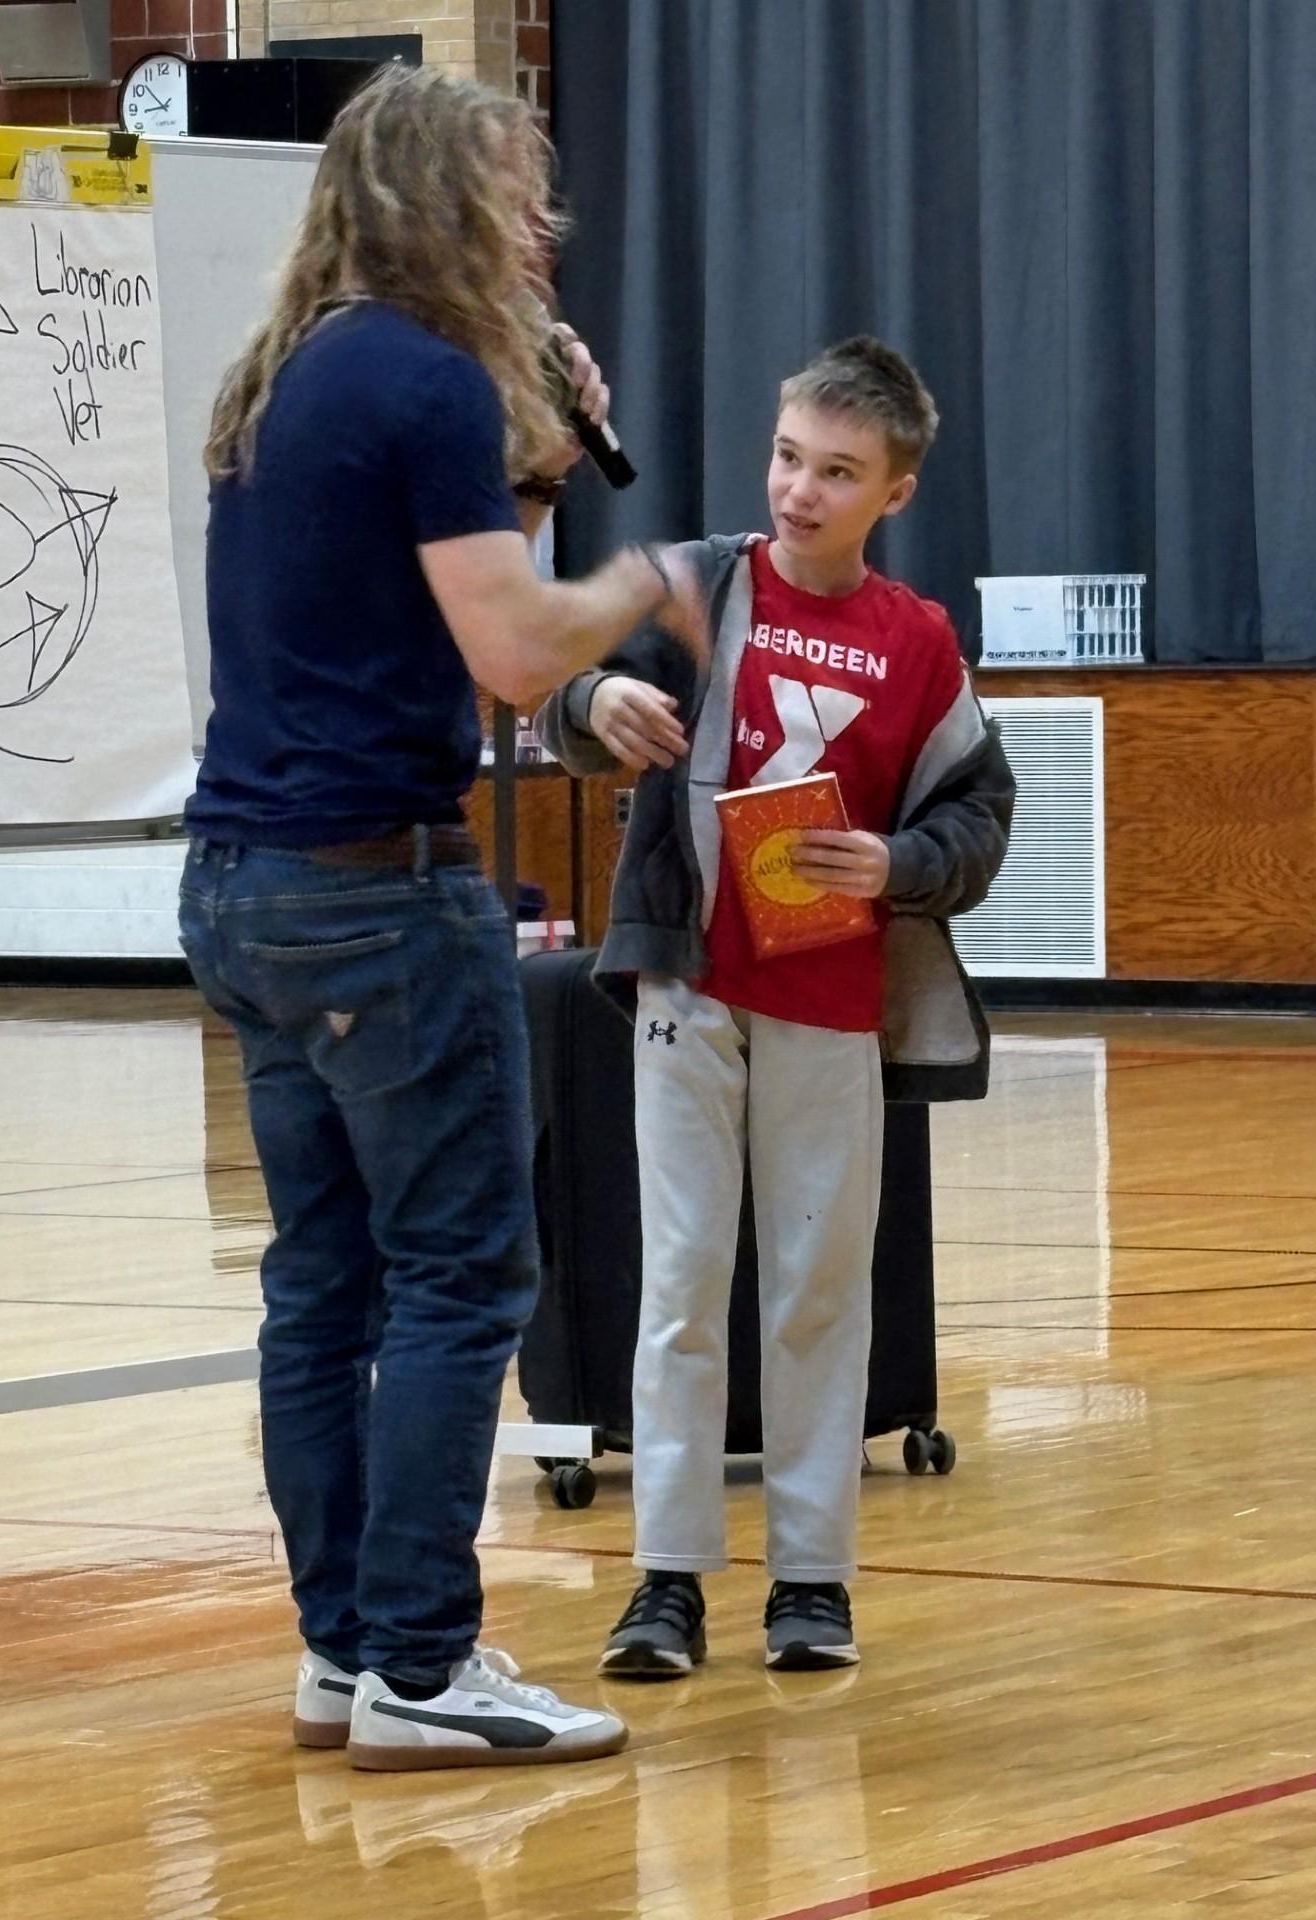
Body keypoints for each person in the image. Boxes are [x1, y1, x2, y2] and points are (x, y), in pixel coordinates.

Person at [178, 64, 701, 1771]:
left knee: (323, 1288)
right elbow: (517, 656)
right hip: (375, 895)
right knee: (463, 1275)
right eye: (514, 196)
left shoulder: (296, 373)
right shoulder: (421, 379)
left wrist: (538, 467)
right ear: (451, 208)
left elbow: (440, 605)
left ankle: (345, 1652)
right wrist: (647, 578)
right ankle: (422, 1658)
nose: (540, 228)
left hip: (246, 882)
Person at [539, 336, 1015, 1678]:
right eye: (789, 458)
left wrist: (901, 862)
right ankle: (667, 1581)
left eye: (839, 472)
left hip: (833, 1001)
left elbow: (980, 811)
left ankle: (812, 1580)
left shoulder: (919, 642)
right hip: (689, 987)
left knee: (816, 1288)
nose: (802, 490)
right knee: (683, 1280)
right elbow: (551, 687)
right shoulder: (695, 583)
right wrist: (597, 700)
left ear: (895, 494)